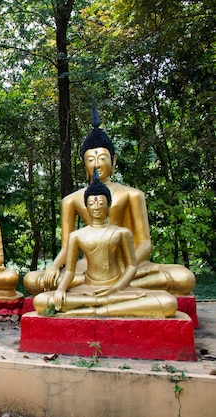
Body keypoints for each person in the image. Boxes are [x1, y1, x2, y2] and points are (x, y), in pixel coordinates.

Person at [24, 101, 195, 296]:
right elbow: (67, 246)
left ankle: (100, 287)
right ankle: (97, 286)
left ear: (114, 161)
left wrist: (125, 270)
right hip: (86, 268)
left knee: (184, 278)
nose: (97, 164)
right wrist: (54, 267)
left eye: (102, 158)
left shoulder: (132, 194)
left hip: (128, 264)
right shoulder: (71, 200)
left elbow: (145, 243)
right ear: (83, 164)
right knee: (33, 280)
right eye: (90, 160)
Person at [33, 174, 178, 317]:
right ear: (86, 207)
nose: (96, 207)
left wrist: (116, 288)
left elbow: (132, 266)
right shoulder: (76, 235)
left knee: (168, 302)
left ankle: (93, 309)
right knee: (41, 301)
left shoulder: (122, 233)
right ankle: (100, 306)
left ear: (109, 206)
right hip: (86, 288)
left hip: (117, 288)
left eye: (101, 203)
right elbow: (69, 271)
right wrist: (61, 289)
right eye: (91, 204)